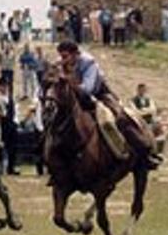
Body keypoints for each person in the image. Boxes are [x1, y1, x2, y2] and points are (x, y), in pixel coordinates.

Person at [56, 40, 161, 169]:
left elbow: (88, 89)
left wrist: (69, 82)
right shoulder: (61, 64)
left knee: (119, 118)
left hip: (99, 95)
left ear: (75, 54)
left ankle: (143, 151)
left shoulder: (89, 63)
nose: (63, 60)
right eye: (61, 56)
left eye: (65, 56)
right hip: (75, 100)